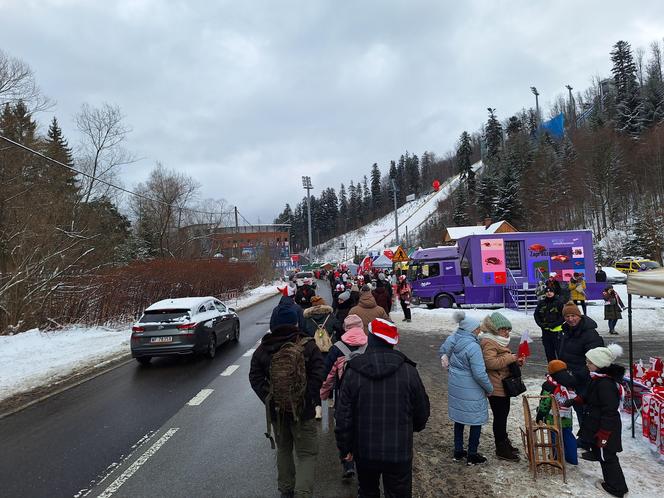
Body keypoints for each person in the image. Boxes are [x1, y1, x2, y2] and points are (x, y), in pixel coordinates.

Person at [335, 318, 430, 498]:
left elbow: (343, 417)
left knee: (367, 492)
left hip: (364, 451)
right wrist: (412, 428)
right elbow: (422, 412)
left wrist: (345, 448)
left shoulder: (353, 372)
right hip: (398, 451)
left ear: (370, 339)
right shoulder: (409, 372)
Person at [249, 305, 325, 498]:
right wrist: (306, 397)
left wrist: (271, 397)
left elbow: (255, 378)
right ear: (295, 322)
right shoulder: (308, 345)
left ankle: (286, 490)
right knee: (307, 454)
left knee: (284, 449)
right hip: (304, 410)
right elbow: (319, 374)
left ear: (273, 323)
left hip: (277, 411)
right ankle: (303, 493)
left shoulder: (263, 349)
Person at [571, 344, 628, 497]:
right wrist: (577, 400)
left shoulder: (605, 384)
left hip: (606, 429)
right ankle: (612, 482)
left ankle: (617, 488)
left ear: (600, 364)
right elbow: (590, 395)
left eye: (589, 362)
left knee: (608, 457)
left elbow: (610, 411)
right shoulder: (598, 378)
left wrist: (604, 433)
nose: (586, 364)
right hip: (598, 425)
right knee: (603, 455)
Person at [439, 311, 494, 465]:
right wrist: (489, 388)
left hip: (456, 384)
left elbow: (443, 352)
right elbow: (479, 374)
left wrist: (448, 364)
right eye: (477, 329)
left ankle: (458, 451)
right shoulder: (473, 347)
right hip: (471, 387)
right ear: (471, 329)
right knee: (475, 420)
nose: (479, 331)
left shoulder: (453, 338)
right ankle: (472, 453)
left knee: (459, 419)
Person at [320, 314, 368, 479]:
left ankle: (348, 461)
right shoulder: (369, 345)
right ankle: (363, 461)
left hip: (343, 395)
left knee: (344, 428)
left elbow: (328, 376)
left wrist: (323, 394)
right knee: (363, 426)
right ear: (361, 327)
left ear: (345, 328)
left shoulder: (337, 347)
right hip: (366, 395)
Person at [478, 312, 522, 462]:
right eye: (504, 329)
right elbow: (490, 363)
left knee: (503, 416)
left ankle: (504, 443)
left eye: (508, 329)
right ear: (495, 329)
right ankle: (501, 448)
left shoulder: (497, 340)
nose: (507, 332)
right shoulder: (488, 341)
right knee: (500, 418)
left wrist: (514, 361)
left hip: (502, 383)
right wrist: (511, 358)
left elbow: (500, 360)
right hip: (496, 386)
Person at [557, 301, 604, 430]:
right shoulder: (564, 331)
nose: (570, 319)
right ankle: (584, 438)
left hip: (585, 379)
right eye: (567, 316)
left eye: (573, 316)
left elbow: (596, 359)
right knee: (576, 408)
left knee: (586, 410)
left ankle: (589, 440)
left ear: (579, 316)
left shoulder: (589, 333)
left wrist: (579, 375)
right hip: (571, 377)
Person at [535, 360, 578, 465]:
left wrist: (540, 415)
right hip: (566, 416)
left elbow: (545, 402)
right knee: (568, 435)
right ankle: (572, 458)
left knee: (554, 437)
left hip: (552, 417)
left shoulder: (549, 385)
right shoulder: (570, 382)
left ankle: (555, 456)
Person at [534, 286, 565, 362]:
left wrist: (554, 324)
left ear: (554, 293)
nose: (549, 293)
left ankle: (562, 370)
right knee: (549, 353)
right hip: (545, 332)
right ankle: (552, 370)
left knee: (560, 353)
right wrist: (540, 324)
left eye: (551, 291)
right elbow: (536, 315)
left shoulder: (559, 302)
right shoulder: (542, 303)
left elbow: (563, 316)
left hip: (557, 332)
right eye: (547, 292)